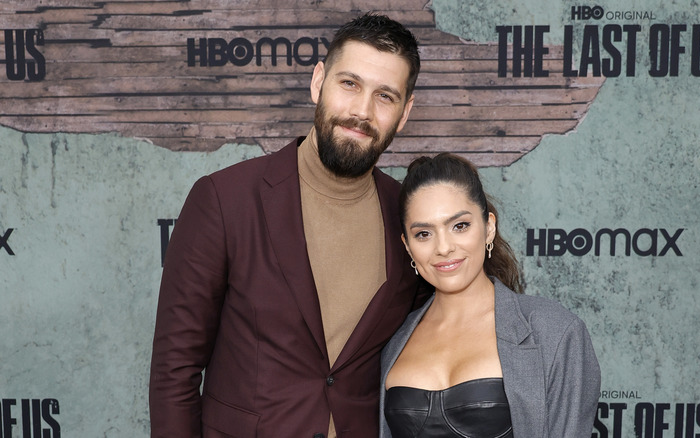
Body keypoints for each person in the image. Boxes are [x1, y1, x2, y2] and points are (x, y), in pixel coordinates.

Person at [149, 13, 426, 438]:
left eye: (384, 96)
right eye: (348, 84)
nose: (361, 111)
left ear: (404, 113)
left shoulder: (409, 215)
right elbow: (174, 371)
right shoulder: (224, 200)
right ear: (318, 82)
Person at [379, 153, 601, 438]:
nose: (443, 247)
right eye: (423, 233)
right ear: (408, 247)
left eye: (459, 226)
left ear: (489, 228)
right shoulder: (394, 340)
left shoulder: (554, 331)